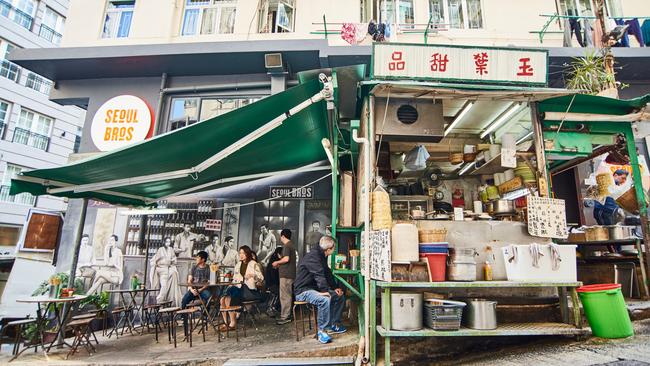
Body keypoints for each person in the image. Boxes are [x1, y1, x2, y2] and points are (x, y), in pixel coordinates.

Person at [294, 236, 346, 344]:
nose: (334, 249)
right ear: (329, 249)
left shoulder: (322, 255)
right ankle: (321, 331)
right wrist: (325, 291)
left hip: (314, 289)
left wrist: (335, 288)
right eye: (334, 248)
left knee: (339, 296)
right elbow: (319, 276)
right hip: (303, 291)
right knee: (325, 299)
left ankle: (334, 324)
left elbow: (326, 273)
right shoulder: (313, 257)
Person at [220, 245, 264, 331]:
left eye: (243, 253)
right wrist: (231, 284)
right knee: (223, 299)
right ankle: (227, 323)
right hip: (238, 288)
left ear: (247, 254)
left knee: (230, 294)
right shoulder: (238, 264)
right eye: (240, 253)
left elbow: (261, 278)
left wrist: (252, 275)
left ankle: (233, 323)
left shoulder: (253, 264)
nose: (241, 255)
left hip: (249, 290)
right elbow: (235, 279)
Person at [272, 229, 296, 325]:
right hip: (289, 274)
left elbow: (286, 259)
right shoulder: (291, 245)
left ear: (282, 236)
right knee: (287, 295)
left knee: (285, 296)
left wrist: (277, 262)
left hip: (286, 275)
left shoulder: (286, 246)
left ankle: (285, 317)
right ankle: (287, 315)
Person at [150, 237, 182, 307]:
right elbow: (155, 259)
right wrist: (156, 266)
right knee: (163, 286)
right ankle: (158, 301)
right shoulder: (160, 249)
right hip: (160, 269)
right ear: (164, 242)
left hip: (166, 269)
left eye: (169, 242)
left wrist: (172, 261)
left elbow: (174, 259)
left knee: (165, 286)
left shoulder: (171, 249)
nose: (168, 243)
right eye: (167, 242)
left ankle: (160, 301)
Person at [265, 247, 284, 317]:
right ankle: (271, 308)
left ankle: (274, 308)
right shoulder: (274, 264)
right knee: (279, 292)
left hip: (273, 283)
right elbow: (273, 277)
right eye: (281, 254)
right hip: (271, 284)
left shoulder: (274, 261)